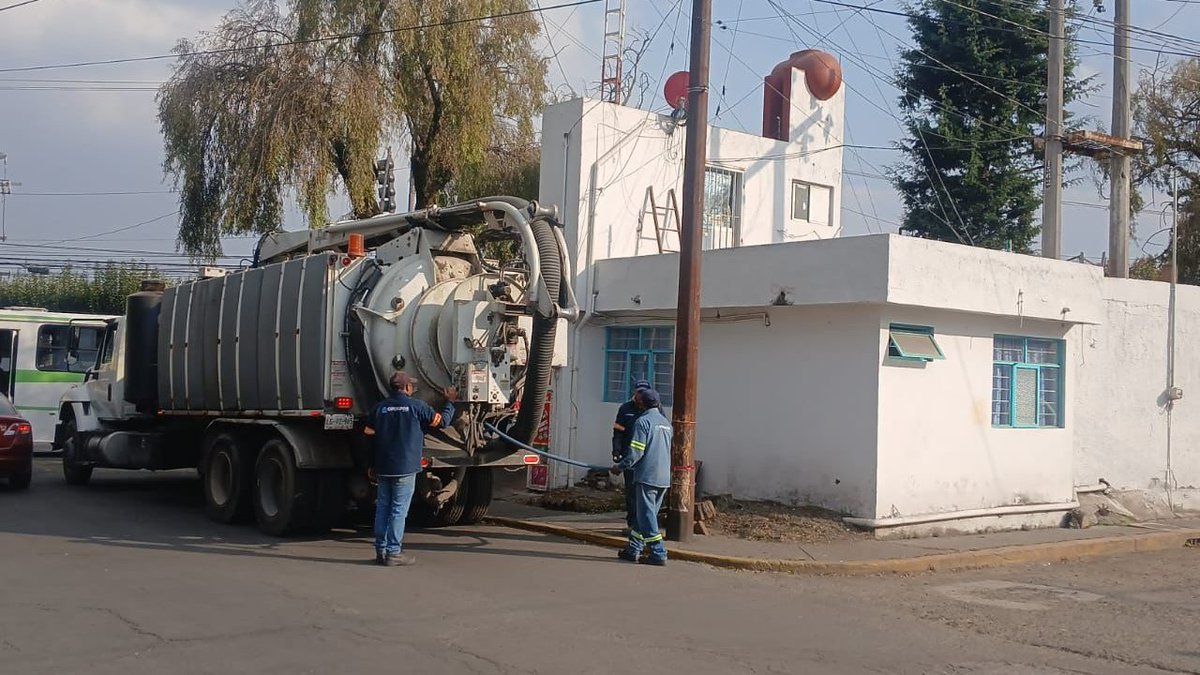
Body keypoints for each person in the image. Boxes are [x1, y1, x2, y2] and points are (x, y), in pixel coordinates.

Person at [364, 371, 456, 567]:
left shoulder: (379, 409)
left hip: (383, 466)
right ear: (406, 388)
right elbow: (443, 422)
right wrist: (450, 402)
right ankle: (394, 553)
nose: (413, 388)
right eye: (411, 385)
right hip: (405, 467)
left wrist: (371, 464)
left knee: (383, 508)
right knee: (398, 510)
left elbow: (369, 437)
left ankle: (381, 550)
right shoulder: (416, 407)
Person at [611, 388, 672, 566]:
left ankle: (658, 552)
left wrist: (620, 467)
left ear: (642, 404)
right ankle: (633, 549)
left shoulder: (642, 422)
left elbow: (636, 453)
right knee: (644, 515)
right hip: (663, 477)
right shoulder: (666, 423)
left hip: (647, 476)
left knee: (646, 515)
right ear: (658, 403)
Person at [612, 379, 652, 534]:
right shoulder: (625, 409)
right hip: (629, 458)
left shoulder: (653, 410)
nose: (641, 396)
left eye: (644, 393)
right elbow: (618, 432)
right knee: (632, 494)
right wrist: (616, 451)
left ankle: (643, 526)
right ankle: (632, 524)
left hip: (647, 461)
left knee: (646, 495)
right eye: (639, 392)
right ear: (634, 392)